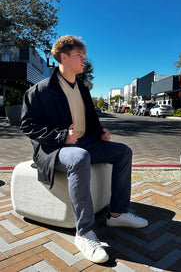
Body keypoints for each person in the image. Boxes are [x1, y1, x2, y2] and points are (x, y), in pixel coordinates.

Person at [21, 35, 148, 264]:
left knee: (123, 151)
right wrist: (61, 136)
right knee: (80, 157)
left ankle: (117, 214)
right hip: (54, 148)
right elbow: (28, 125)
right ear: (63, 56)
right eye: (79, 55)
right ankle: (84, 233)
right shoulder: (40, 90)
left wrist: (100, 133)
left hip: (83, 142)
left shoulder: (82, 88)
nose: (83, 60)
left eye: (84, 56)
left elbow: (88, 118)